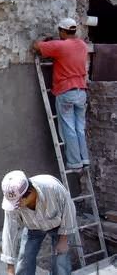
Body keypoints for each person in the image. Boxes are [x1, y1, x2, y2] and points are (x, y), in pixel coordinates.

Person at [33, 18, 90, 170]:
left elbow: (37, 47)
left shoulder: (60, 46)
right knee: (79, 128)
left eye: (60, 31)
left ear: (63, 31)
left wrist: (45, 41)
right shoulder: (82, 45)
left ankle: (75, 162)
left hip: (66, 92)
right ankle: (84, 159)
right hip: (81, 92)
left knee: (69, 128)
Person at [0, 170, 76, 275]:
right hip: (33, 227)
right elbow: (9, 232)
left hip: (59, 226)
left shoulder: (52, 188)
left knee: (61, 261)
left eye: (18, 202)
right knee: (25, 258)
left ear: (30, 193)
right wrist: (10, 268)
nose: (15, 206)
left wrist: (63, 240)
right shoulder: (12, 205)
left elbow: (69, 212)